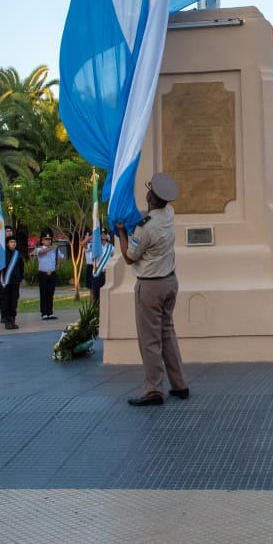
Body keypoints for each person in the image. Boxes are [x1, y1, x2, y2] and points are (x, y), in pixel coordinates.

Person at [115, 172, 189, 406]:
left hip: (151, 287)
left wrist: (122, 232)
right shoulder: (168, 215)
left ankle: (153, 390)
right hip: (170, 282)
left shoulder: (145, 229)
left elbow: (129, 257)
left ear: (150, 198)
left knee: (150, 340)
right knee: (167, 333)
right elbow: (150, 216)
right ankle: (179, 385)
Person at [34, 229, 60, 320]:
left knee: (50, 293)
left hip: (52, 273)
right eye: (46, 239)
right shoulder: (39, 249)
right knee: (43, 293)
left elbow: (61, 257)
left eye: (49, 239)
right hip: (43, 274)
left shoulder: (54, 249)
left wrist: (58, 265)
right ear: (42, 240)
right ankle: (44, 312)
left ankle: (50, 312)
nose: (48, 241)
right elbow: (41, 253)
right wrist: (51, 248)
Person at [0, 235, 25, 327]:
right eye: (11, 242)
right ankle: (7, 321)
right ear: (7, 244)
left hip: (15, 282)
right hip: (6, 282)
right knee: (6, 302)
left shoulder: (17, 254)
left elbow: (21, 267)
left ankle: (13, 320)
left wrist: (20, 278)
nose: (13, 244)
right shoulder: (3, 254)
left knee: (14, 301)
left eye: (14, 242)